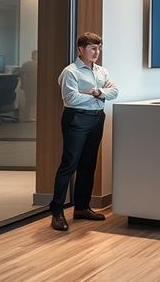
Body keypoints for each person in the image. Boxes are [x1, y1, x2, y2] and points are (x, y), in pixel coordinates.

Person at [50, 32, 118, 231]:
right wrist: (100, 94)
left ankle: (81, 207)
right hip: (77, 118)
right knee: (69, 164)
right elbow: (71, 99)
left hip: (97, 118)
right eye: (92, 48)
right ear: (81, 49)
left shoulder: (101, 71)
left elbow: (114, 92)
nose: (97, 52)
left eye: (99, 48)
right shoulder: (70, 72)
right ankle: (56, 212)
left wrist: (96, 92)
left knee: (88, 164)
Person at [15, 50, 38, 122]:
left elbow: (18, 74)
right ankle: (27, 116)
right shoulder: (30, 65)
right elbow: (19, 74)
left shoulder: (27, 64)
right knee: (30, 101)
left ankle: (28, 116)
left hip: (30, 85)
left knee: (30, 101)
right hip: (31, 85)